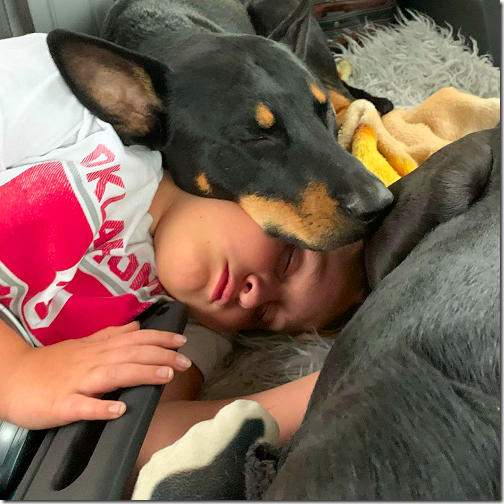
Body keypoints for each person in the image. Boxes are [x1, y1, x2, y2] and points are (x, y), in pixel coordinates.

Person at [0, 33, 368, 472]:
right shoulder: (80, 126)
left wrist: (341, 392)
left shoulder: (189, 327)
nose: (252, 295)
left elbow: (137, 440)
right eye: (288, 257)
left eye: (266, 316)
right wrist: (16, 373)